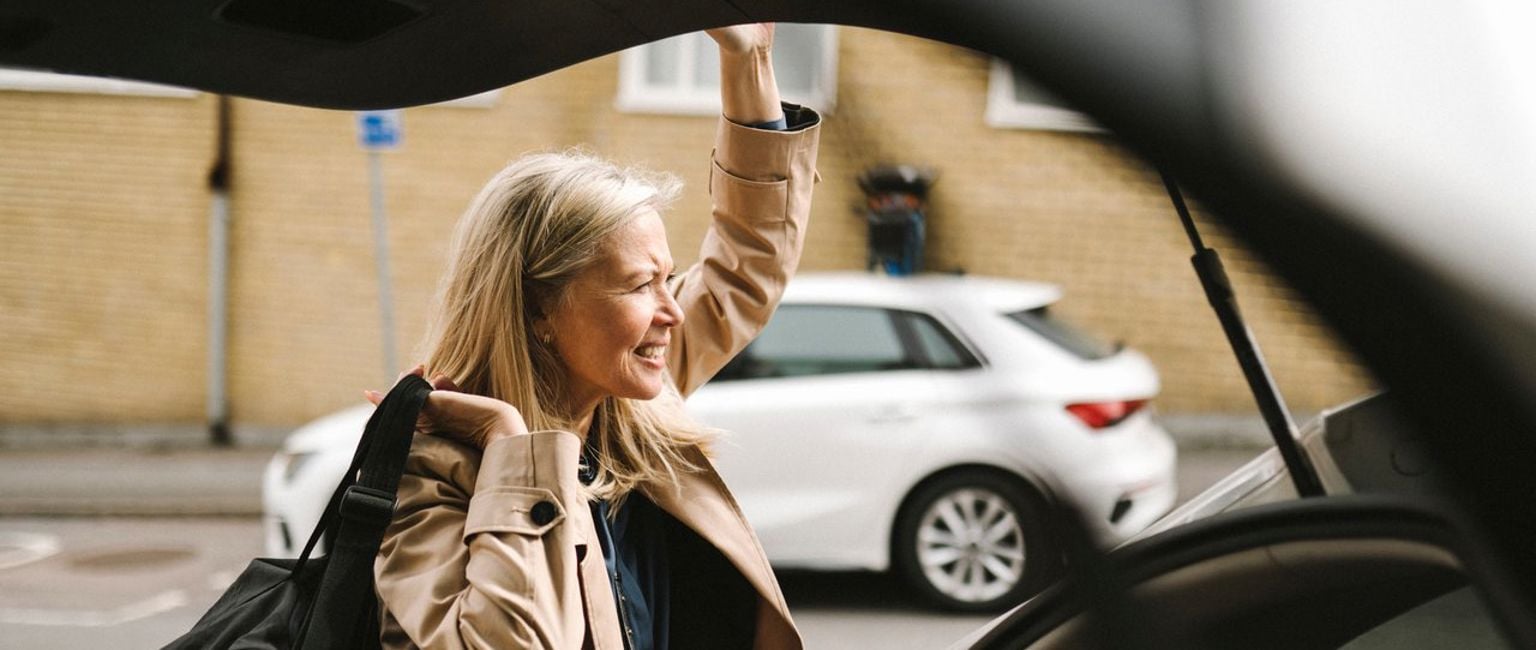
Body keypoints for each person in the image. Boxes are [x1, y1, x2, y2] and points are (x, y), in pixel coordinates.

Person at [368, 23, 821, 650]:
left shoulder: (631, 401)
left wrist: (748, 58)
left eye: (669, 279)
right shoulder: (428, 475)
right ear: (536, 310)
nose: (674, 311)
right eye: (640, 286)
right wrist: (510, 445)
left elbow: (750, 260)